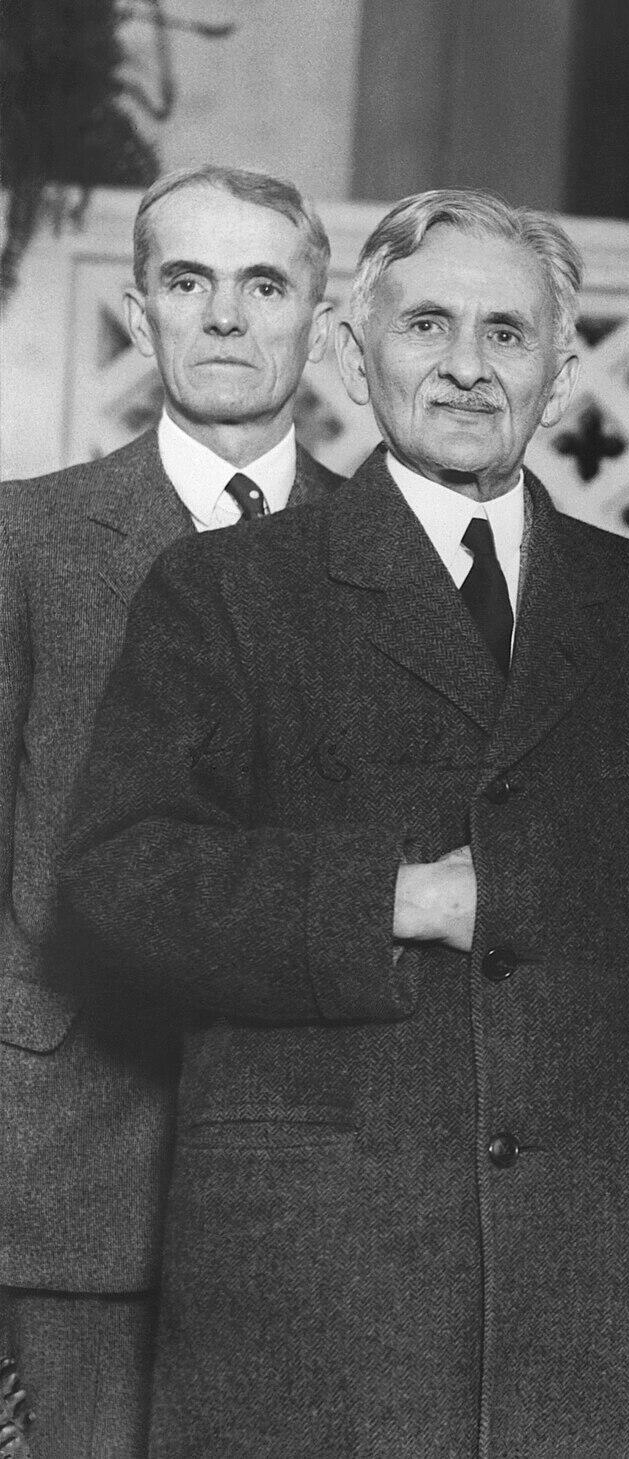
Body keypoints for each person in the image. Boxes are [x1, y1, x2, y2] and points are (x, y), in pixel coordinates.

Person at [58, 189, 629, 1456]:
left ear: (562, 375)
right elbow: (121, 878)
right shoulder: (230, 588)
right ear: (353, 351)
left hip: (600, 1260)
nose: (463, 366)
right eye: (427, 325)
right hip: (321, 1263)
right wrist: (390, 899)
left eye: (506, 335)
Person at [0, 164, 342, 1458]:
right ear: (140, 314)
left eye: (265, 284)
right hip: (67, 1136)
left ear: (319, 315)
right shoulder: (30, 535)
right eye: (188, 282)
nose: (225, 316)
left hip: (300, 1147)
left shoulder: (382, 545)